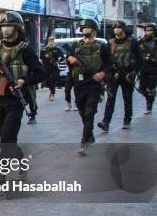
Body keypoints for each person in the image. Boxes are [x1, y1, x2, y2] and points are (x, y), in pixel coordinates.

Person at [0, 11, 45, 189]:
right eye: (3, 26)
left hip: (16, 101)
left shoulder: (26, 49)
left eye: (8, 26)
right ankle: (22, 164)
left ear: (17, 27)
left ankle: (0, 179)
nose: (5, 29)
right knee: (8, 139)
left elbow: (41, 73)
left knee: (6, 140)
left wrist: (23, 80)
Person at [65, 18, 112, 155]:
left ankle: (84, 141)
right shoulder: (76, 45)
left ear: (94, 30)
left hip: (94, 83)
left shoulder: (102, 46)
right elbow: (68, 58)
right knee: (82, 111)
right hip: (79, 83)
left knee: (90, 112)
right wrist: (70, 59)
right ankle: (90, 135)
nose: (85, 30)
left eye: (88, 28)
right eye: (83, 28)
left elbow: (109, 65)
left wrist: (102, 74)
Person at [97, 20, 142, 131]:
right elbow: (104, 60)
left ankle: (127, 119)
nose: (116, 29)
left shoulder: (133, 42)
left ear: (124, 29)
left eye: (119, 27)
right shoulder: (110, 43)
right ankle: (106, 122)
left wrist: (133, 73)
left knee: (127, 98)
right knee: (110, 98)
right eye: (115, 27)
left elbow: (139, 60)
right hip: (113, 74)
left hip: (127, 73)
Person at [138, 22, 157, 114]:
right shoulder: (141, 41)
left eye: (150, 30)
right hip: (144, 66)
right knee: (142, 88)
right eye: (147, 30)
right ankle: (149, 98)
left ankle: (149, 105)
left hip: (154, 66)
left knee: (151, 88)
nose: (148, 32)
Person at [41, 36, 61, 101]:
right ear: (48, 41)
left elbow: (62, 56)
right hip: (46, 67)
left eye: (52, 40)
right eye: (50, 40)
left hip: (54, 67)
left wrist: (59, 60)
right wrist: (45, 56)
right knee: (47, 81)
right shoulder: (44, 49)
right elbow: (41, 57)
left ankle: (52, 93)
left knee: (54, 79)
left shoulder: (57, 49)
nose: (51, 42)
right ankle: (51, 90)